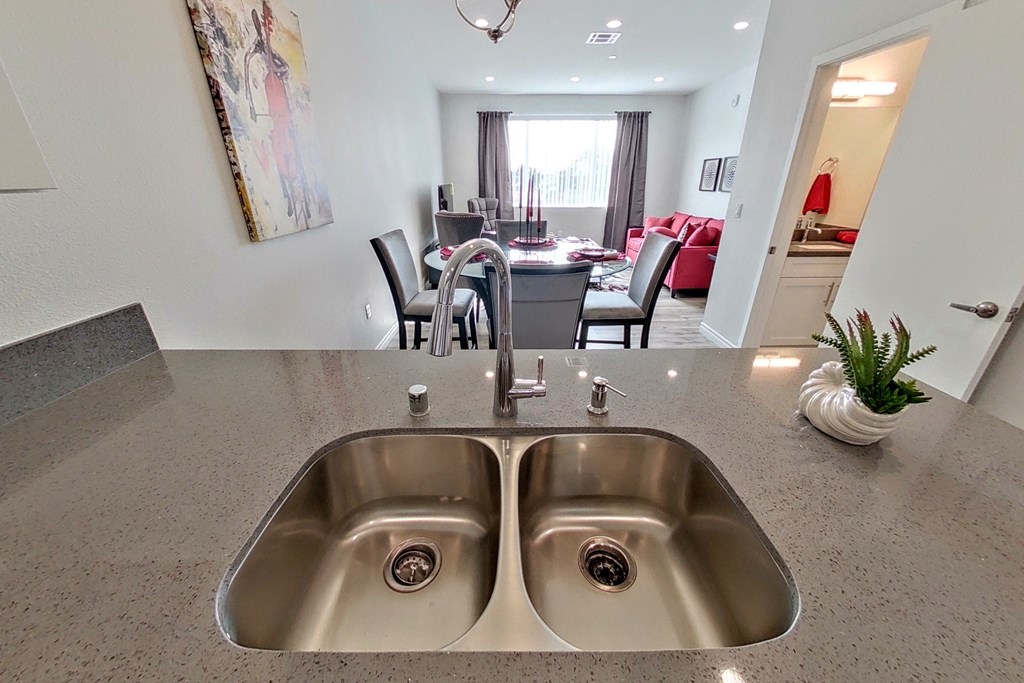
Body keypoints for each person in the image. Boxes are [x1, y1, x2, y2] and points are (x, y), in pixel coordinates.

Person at [244, 1, 312, 226]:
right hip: (277, 120)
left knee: (293, 157)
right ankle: (289, 195)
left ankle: (296, 197)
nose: (268, 28)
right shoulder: (255, 57)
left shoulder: (274, 63)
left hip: (284, 120)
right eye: (266, 23)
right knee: (286, 158)